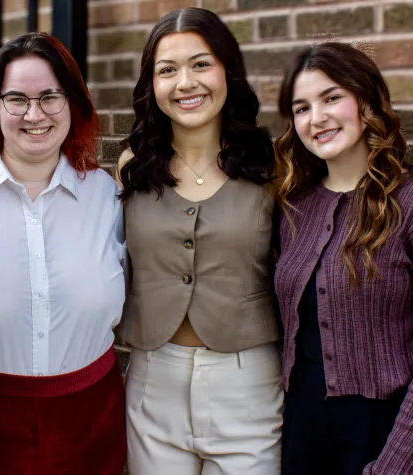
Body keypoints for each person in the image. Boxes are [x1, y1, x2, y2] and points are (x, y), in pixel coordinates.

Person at [0, 32, 126, 475]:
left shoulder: (107, 196)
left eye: (51, 97)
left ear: (73, 104)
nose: (34, 114)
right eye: (16, 99)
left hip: (92, 422)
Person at [116, 8, 283, 475]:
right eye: (167, 70)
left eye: (201, 64)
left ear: (228, 70)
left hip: (247, 382)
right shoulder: (132, 167)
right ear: (153, 85)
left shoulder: (273, 168)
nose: (185, 82)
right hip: (153, 381)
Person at [273, 42, 413, 475]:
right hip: (303, 433)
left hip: (384, 434)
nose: (316, 118)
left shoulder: (407, 204)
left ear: (366, 100)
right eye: (301, 108)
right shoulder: (293, 208)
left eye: (332, 97)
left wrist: (394, 464)